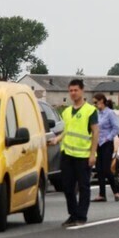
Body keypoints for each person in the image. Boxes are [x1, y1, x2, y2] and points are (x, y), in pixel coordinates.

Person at [50, 79, 99, 228]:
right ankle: (72, 214)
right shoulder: (66, 112)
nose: (73, 93)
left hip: (83, 155)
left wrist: (92, 154)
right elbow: (68, 130)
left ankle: (81, 215)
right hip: (68, 153)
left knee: (83, 186)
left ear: (82, 91)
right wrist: (57, 139)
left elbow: (95, 132)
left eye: (75, 90)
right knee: (67, 186)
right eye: (70, 90)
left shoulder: (90, 110)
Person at [92, 93, 119, 202]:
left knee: (106, 169)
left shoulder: (110, 113)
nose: (94, 105)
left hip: (107, 143)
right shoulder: (96, 113)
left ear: (101, 101)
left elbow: (116, 128)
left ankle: (116, 191)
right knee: (99, 169)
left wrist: (107, 138)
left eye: (96, 102)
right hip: (98, 143)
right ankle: (102, 194)